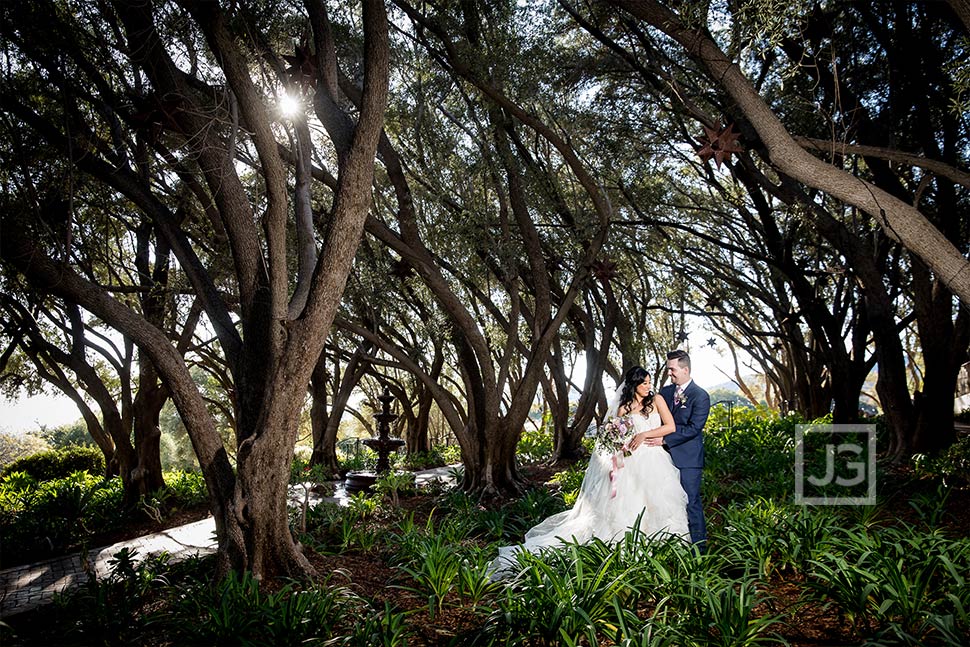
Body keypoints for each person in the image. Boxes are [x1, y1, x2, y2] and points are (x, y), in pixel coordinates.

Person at [490, 366, 689, 576]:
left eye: (649, 382)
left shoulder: (656, 400)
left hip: (653, 459)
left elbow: (670, 427)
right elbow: (616, 438)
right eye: (644, 383)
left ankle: (663, 553)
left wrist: (644, 435)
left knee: (658, 502)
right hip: (630, 462)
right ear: (634, 385)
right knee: (629, 504)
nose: (649, 387)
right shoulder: (624, 408)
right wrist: (620, 443)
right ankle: (628, 552)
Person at [646, 350, 710, 552]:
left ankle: (699, 550)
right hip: (660, 459)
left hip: (688, 459)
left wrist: (664, 438)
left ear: (685, 369)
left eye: (672, 370)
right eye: (668, 370)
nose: (669, 374)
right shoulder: (663, 393)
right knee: (665, 502)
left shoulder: (700, 396)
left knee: (690, 503)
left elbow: (694, 428)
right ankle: (673, 547)